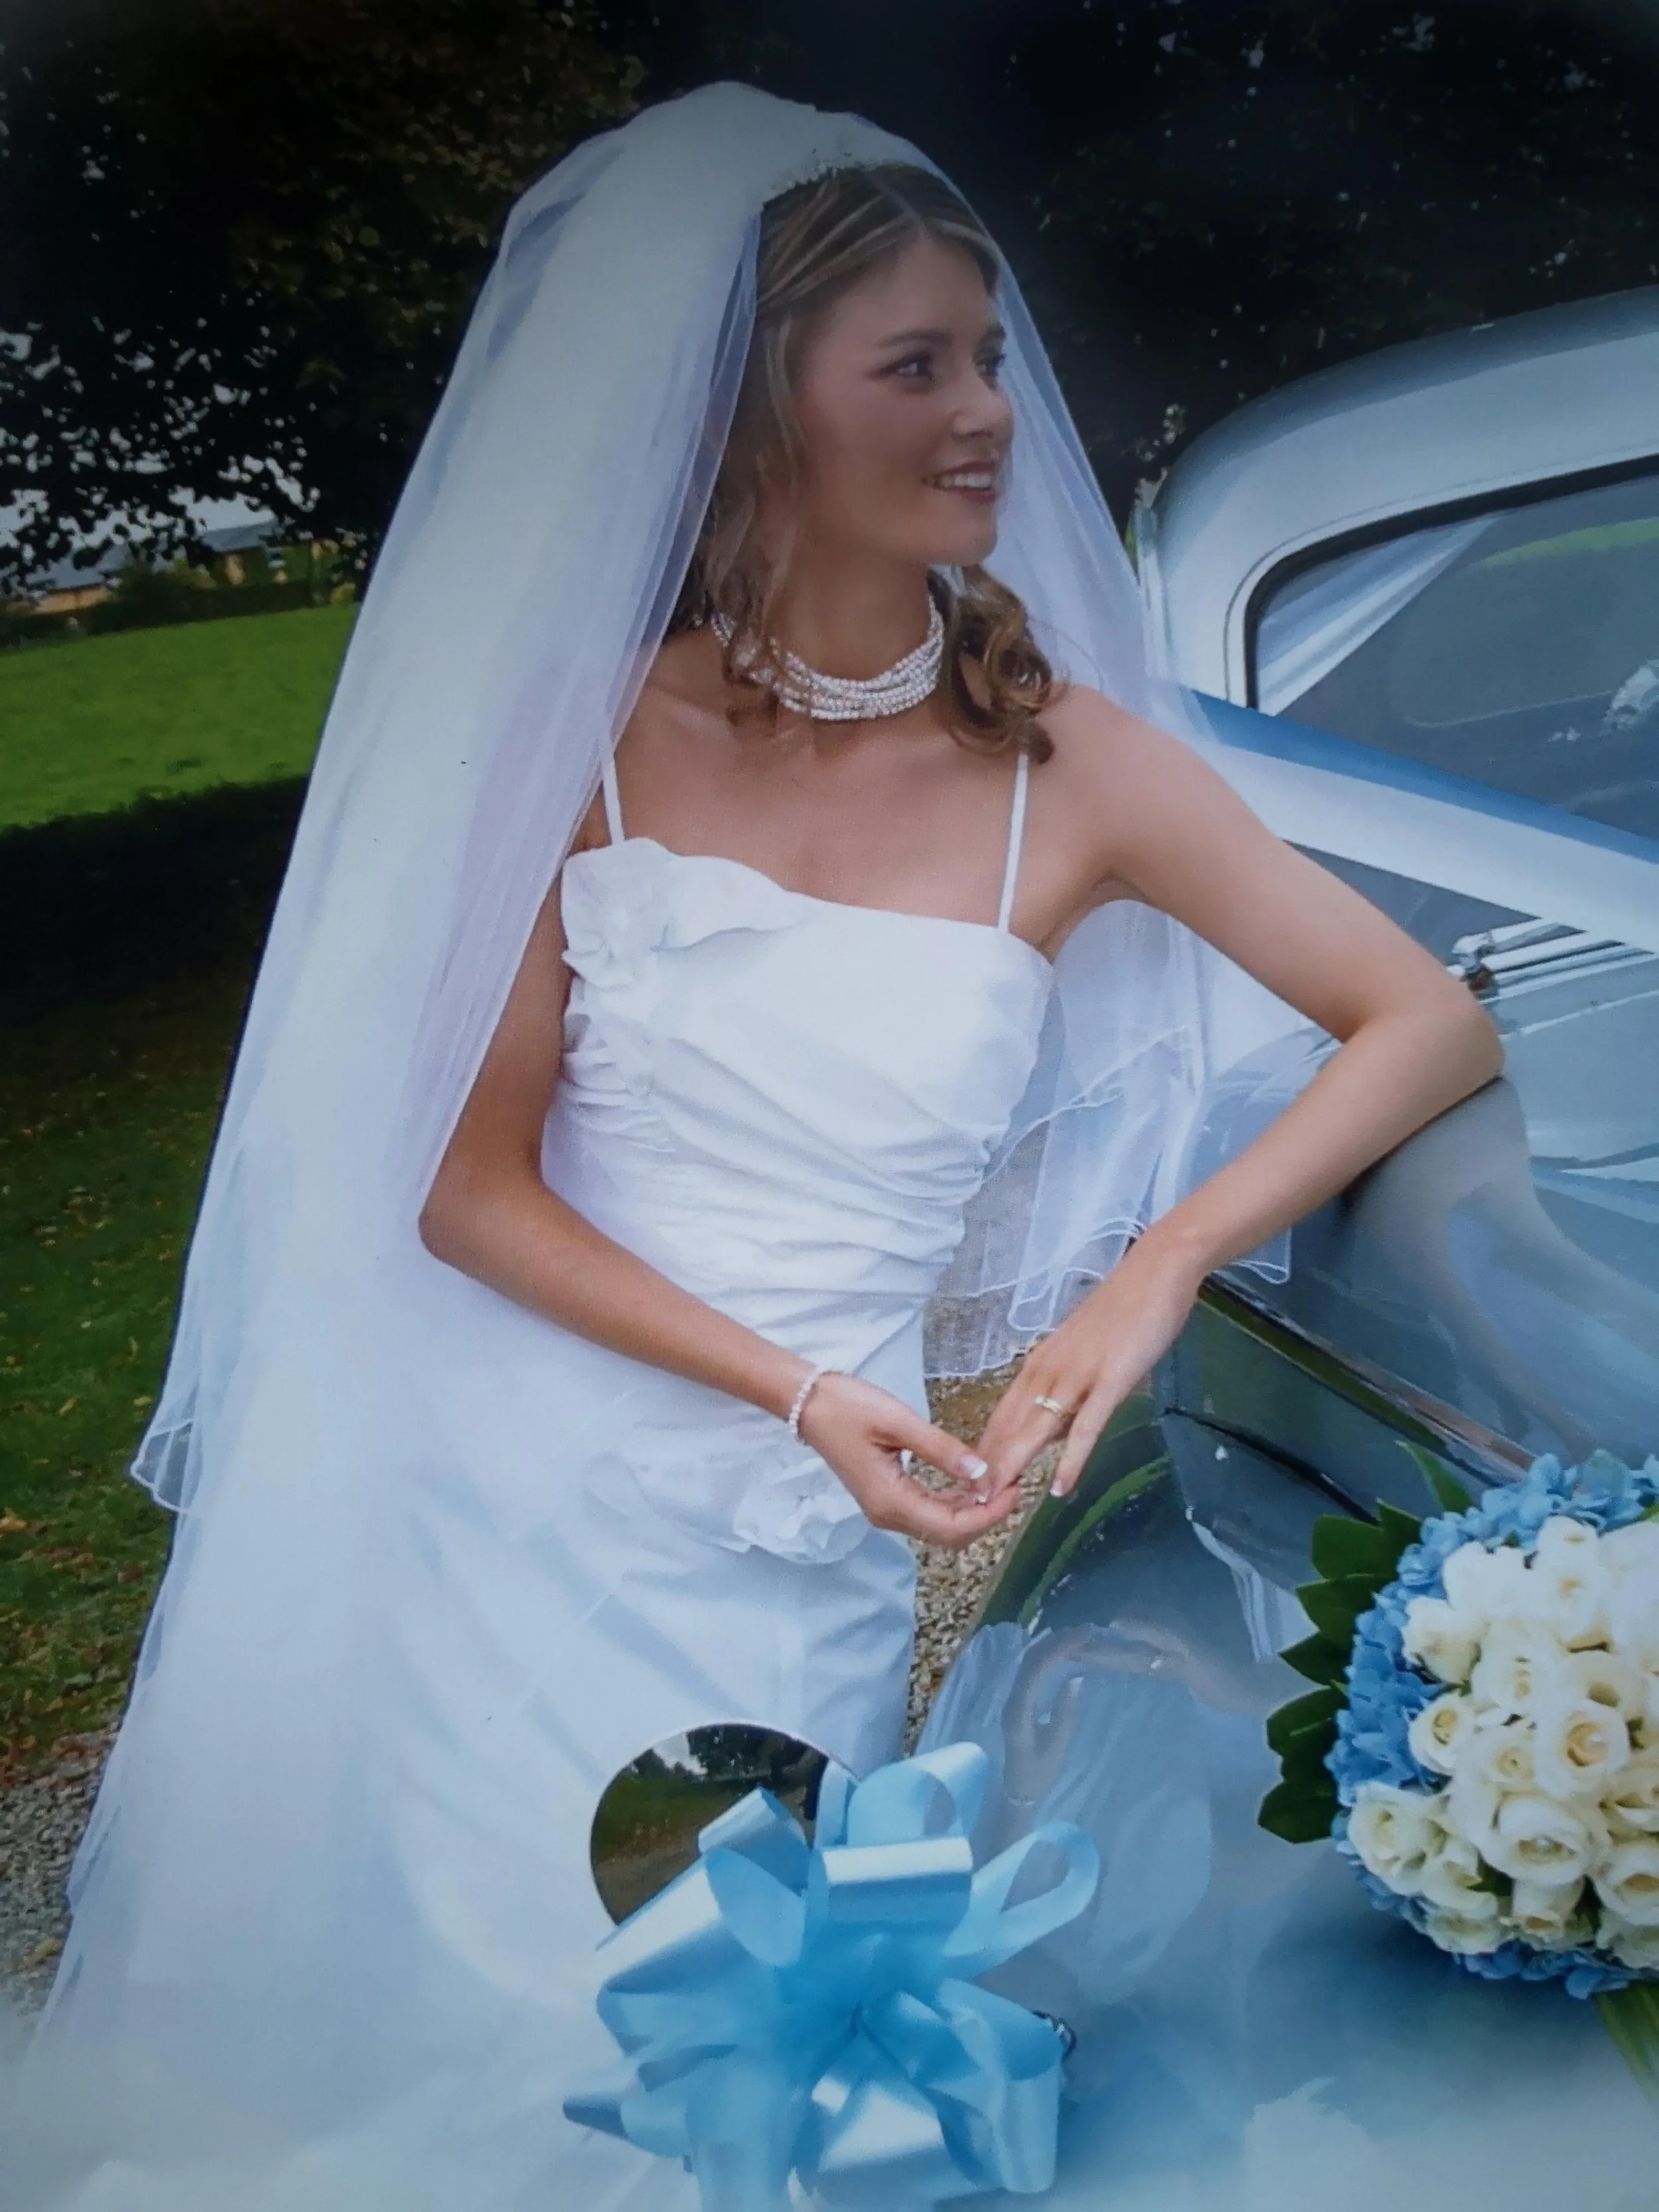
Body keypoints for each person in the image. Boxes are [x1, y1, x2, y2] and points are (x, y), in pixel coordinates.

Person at [4, 84, 1500, 2211]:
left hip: (787, 1570)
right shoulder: (587, 737)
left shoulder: (1067, 765)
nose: (987, 408)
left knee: (716, 2053)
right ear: (748, 415)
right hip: (511, 1506)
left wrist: (1151, 1263)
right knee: (496, 2053)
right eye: (914, 364)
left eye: (987, 352)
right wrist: (791, 1388)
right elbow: (470, 1188)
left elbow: (1421, 1016)